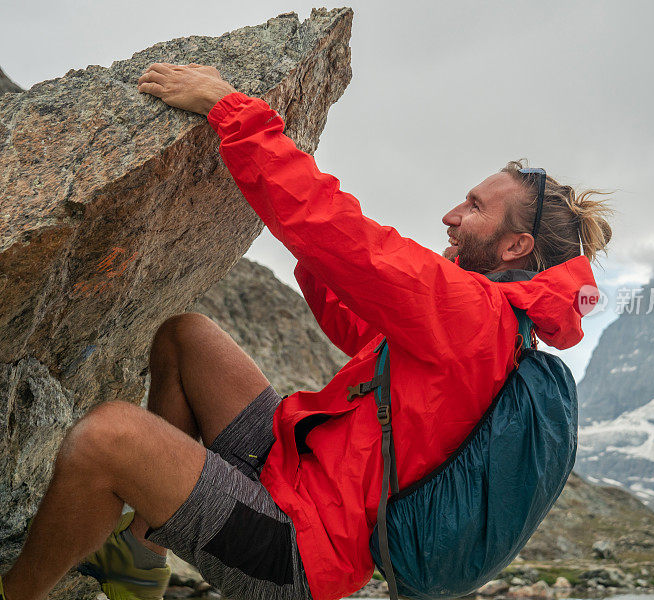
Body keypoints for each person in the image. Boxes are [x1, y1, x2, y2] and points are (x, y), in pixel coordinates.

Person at [0, 63, 612, 600]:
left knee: (107, 436)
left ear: (515, 246)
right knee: (185, 338)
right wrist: (318, 260)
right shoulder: (495, 326)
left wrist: (232, 113)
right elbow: (359, 325)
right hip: (297, 473)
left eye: (474, 207)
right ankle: (138, 562)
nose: (450, 217)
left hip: (297, 550)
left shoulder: (476, 316)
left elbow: (349, 240)